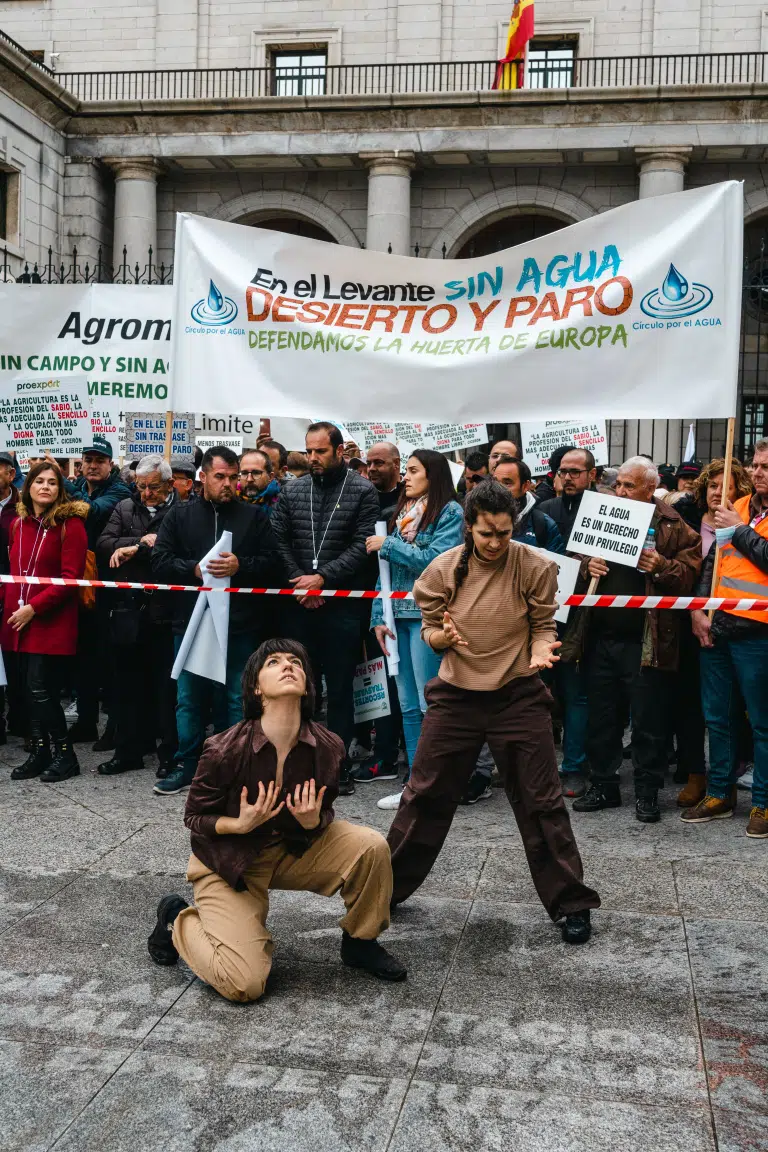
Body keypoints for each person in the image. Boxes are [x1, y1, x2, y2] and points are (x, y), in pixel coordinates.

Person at [386, 480, 600, 943]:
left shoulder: (536, 566)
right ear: (469, 528)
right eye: (487, 533)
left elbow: (543, 626)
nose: (496, 542)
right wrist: (444, 638)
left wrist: (543, 651)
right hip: (457, 695)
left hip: (518, 695)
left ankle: (571, 903)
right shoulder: (441, 571)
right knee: (423, 794)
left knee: (543, 801)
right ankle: (382, 889)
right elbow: (429, 632)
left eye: (505, 533)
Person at [147, 639, 406, 998]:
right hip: (230, 861)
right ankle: (177, 919)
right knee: (245, 985)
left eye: (296, 663)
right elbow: (194, 816)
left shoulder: (329, 746)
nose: (288, 666)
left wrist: (314, 820)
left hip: (293, 848)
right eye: (274, 662)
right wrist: (238, 825)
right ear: (256, 687)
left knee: (371, 846)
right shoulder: (224, 749)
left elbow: (324, 809)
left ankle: (360, 943)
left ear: (308, 685)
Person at [566, 456, 701, 823]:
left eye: (629, 485)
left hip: (647, 641)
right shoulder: (603, 513)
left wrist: (662, 567)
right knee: (602, 717)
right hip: (601, 638)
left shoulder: (674, 526)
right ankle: (604, 785)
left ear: (649, 489)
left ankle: (647, 792)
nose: (620, 491)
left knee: (648, 721)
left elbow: (690, 577)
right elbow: (574, 557)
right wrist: (585, 565)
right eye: (618, 484)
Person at [151, 446, 279, 796]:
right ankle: (188, 764)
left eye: (233, 477)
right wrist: (192, 569)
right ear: (202, 477)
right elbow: (160, 560)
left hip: (239, 623)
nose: (228, 484)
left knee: (237, 697)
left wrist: (242, 566)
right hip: (190, 621)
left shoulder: (254, 518)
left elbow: (273, 564)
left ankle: (234, 765)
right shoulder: (179, 516)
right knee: (189, 697)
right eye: (220, 477)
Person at [272, 422, 379, 796]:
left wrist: (324, 579)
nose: (313, 458)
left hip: (342, 608)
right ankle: (299, 763)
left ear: (338, 451)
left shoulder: (363, 491)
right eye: (309, 451)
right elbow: (279, 541)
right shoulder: (293, 490)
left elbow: (362, 545)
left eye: (320, 451)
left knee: (340, 690)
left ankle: (337, 765)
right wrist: (301, 581)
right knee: (299, 688)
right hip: (299, 604)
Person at [365, 450, 464, 805]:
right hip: (397, 618)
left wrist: (388, 545)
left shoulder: (451, 512)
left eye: (412, 471)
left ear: (433, 475)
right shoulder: (402, 514)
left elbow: (437, 561)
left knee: (428, 702)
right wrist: (379, 614)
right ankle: (415, 783)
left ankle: (438, 781)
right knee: (406, 703)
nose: (405, 477)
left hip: (429, 617)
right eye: (405, 471)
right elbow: (385, 573)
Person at [682, 439, 768, 837]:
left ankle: (764, 803)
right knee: (717, 718)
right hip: (719, 627)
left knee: (762, 723)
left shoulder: (738, 516)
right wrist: (699, 608)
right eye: (755, 463)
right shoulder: (742, 505)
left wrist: (736, 529)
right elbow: (713, 560)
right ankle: (720, 792)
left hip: (759, 632)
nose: (757, 471)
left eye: (766, 466)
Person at [673, 457, 753, 808]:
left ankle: (730, 776)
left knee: (731, 709)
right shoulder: (685, 518)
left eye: (727, 486)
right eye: (712, 485)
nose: (718, 492)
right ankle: (696, 772)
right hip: (690, 624)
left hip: (735, 627)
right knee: (693, 704)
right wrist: (695, 609)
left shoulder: (746, 521)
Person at [2, 462, 88, 783]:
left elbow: (70, 580)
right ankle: (40, 753)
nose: (45, 487)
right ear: (29, 486)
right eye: (39, 481)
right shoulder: (17, 524)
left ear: (60, 489)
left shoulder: (71, 524)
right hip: (18, 621)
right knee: (27, 689)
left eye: (53, 482)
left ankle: (65, 756)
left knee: (42, 689)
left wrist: (34, 609)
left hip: (49, 620)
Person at [95, 455, 178, 777]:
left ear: (169, 484)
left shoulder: (181, 511)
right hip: (129, 609)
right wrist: (139, 543)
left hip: (166, 611)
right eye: (141, 487)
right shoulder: (125, 508)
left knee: (165, 688)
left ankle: (168, 753)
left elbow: (178, 551)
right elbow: (104, 543)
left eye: (154, 487)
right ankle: (128, 749)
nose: (147, 493)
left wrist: (145, 549)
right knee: (127, 684)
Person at [62, 436, 131, 747]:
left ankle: (115, 728)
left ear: (110, 464)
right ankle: (87, 722)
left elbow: (89, 510)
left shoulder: (119, 491)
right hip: (79, 583)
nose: (92, 465)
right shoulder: (78, 485)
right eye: (87, 460)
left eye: (98, 461)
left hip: (108, 587)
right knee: (83, 658)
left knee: (111, 661)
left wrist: (70, 485)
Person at [493, 456, 565, 553]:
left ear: (525, 486)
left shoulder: (543, 524)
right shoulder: (477, 518)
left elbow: (555, 566)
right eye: (495, 482)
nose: (498, 489)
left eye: (507, 483)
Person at [0, 450, 22, 742]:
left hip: (14, 589)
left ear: (11, 474)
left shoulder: (21, 507)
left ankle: (19, 718)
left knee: (14, 657)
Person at [538, 448, 598, 544]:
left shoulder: (605, 510)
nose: (567, 478)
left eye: (575, 472)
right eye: (563, 471)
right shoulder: (545, 508)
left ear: (592, 474)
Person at [238, 449, 281, 516]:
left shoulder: (283, 502)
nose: (249, 479)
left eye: (256, 473)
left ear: (270, 476)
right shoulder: (229, 501)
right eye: (244, 473)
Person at [366, 441, 402, 519]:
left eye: (378, 463)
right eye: (368, 464)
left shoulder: (412, 495)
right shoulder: (362, 497)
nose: (371, 468)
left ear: (396, 463)